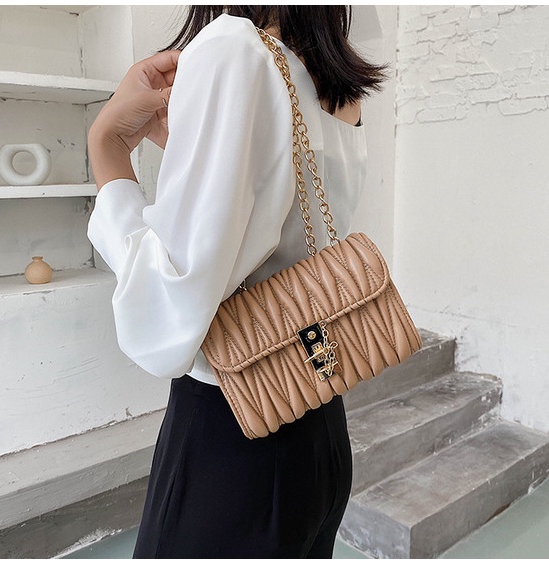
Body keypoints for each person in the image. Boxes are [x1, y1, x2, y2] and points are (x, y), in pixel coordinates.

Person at [87, 6, 387, 559]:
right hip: (320, 419)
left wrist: (106, 147)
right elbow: (287, 215)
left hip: (236, 435)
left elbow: (162, 320)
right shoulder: (335, 81)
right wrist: (207, 154)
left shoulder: (232, 48)